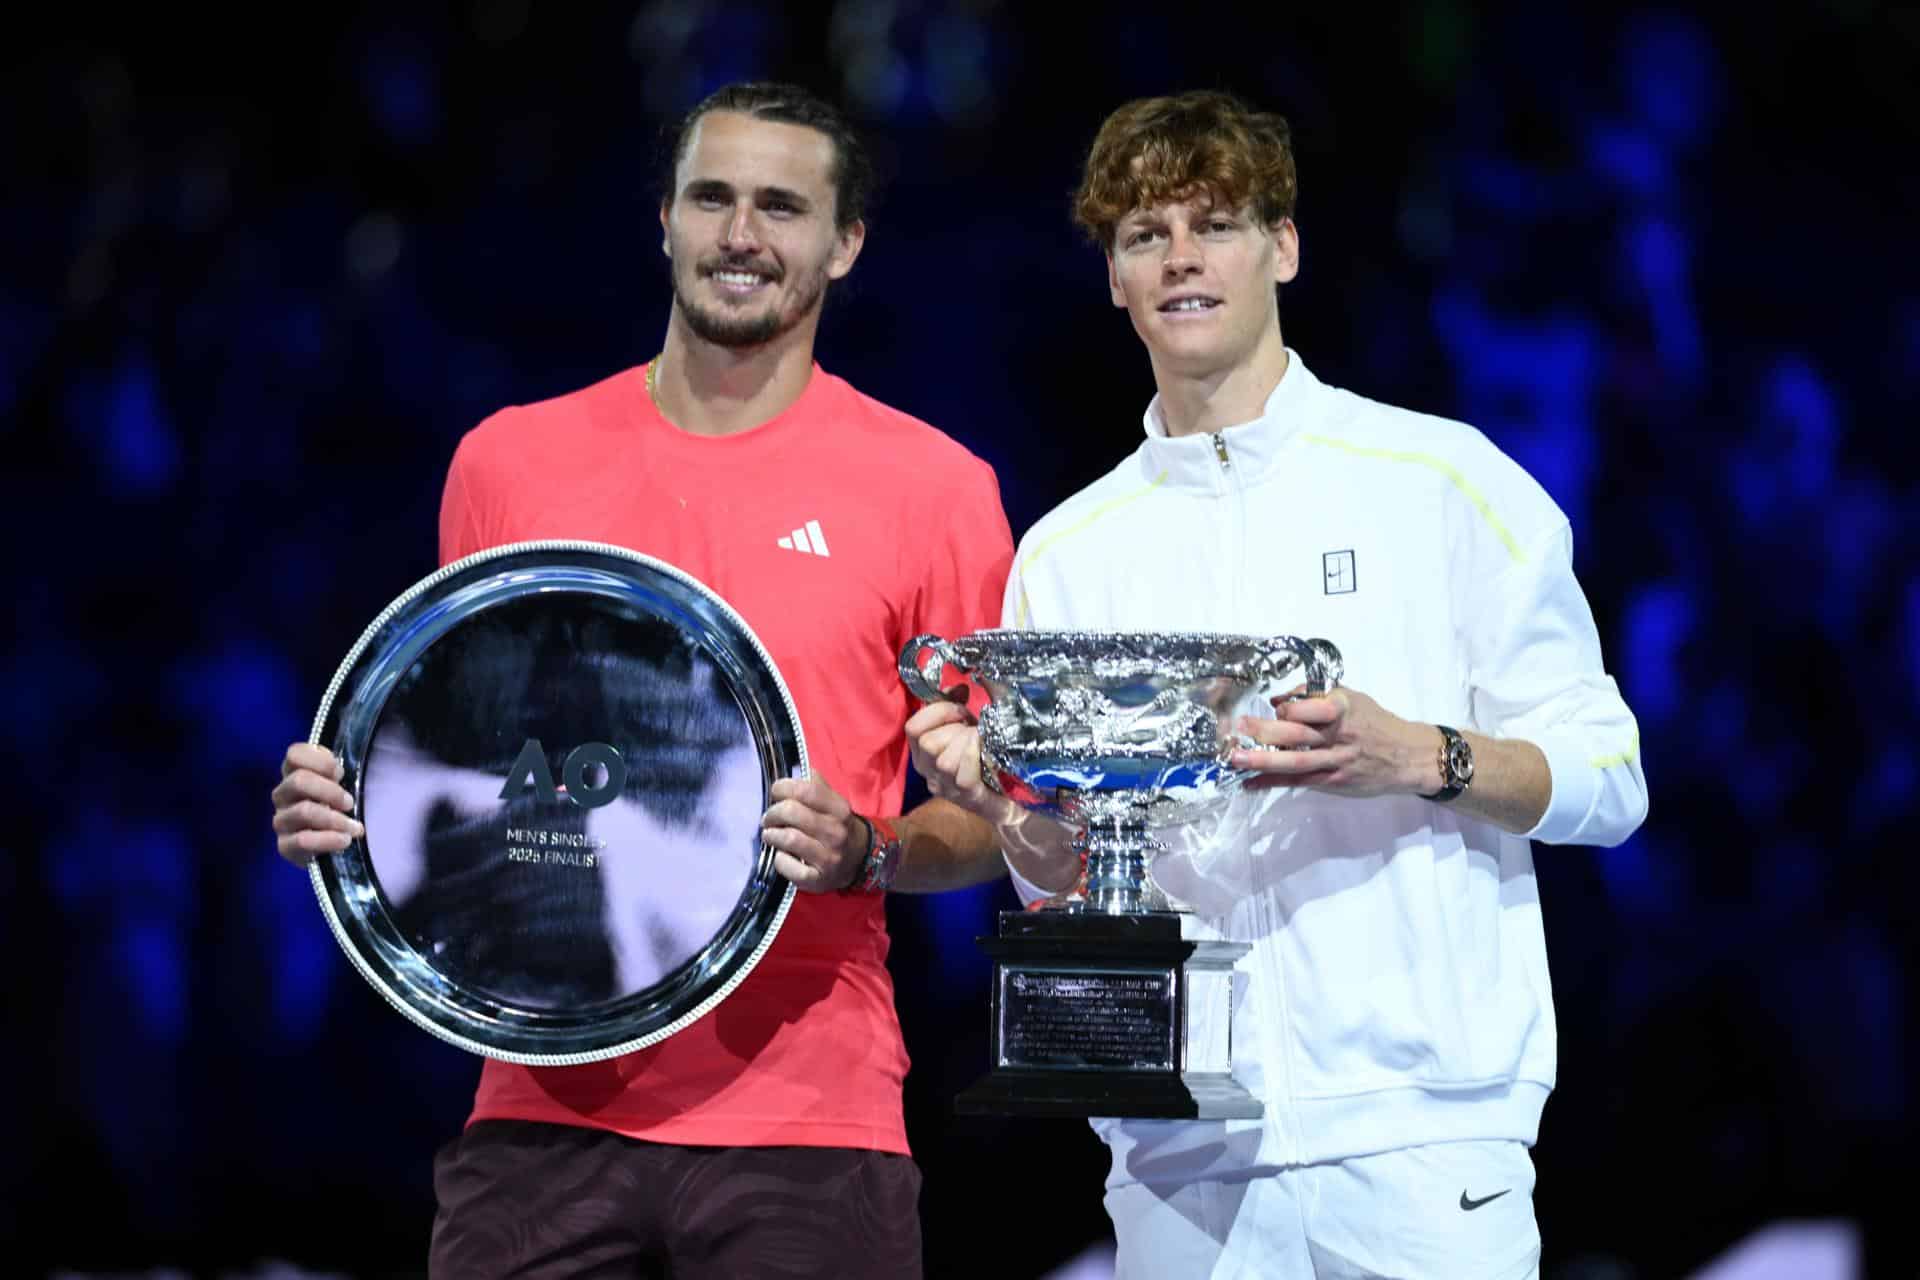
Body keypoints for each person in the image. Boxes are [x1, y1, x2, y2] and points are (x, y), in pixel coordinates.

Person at [270, 81, 1014, 1279]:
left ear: (845, 244)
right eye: (712, 197)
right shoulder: (510, 463)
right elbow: (469, 757)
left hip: (809, 1117)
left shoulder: (935, 490)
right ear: (664, 219)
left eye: (782, 206)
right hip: (539, 1103)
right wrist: (353, 802)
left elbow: (1006, 819)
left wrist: (870, 850)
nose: (741, 234)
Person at [907, 90, 1649, 1279]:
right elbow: (1067, 885)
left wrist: (1421, 754)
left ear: (1284, 247)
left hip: (1422, 1144)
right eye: (1145, 234)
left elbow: (1610, 776)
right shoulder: (1068, 551)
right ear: (1114, 277)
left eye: (1216, 224)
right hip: (1178, 1156)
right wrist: (1010, 809)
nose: (1181, 258)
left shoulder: (1441, 481)